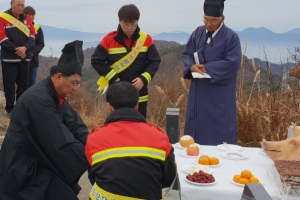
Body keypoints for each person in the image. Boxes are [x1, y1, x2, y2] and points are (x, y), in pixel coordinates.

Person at [0, 40, 89, 200]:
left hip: (39, 160)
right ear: (58, 76)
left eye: (78, 84)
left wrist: (96, 146)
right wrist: (92, 157)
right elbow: (60, 140)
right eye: (73, 83)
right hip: (23, 168)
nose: (75, 89)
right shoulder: (37, 99)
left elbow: (76, 125)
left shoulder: (54, 94)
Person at [85, 82, 177, 199]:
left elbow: (93, 177)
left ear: (110, 107)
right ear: (137, 105)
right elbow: (168, 179)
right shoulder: (159, 137)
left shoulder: (94, 139)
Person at [182, 0, 242, 145]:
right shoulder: (198, 32)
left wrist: (207, 68)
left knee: (220, 133)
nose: (208, 24)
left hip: (219, 94)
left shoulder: (231, 37)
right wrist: (191, 67)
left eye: (213, 21)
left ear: (222, 19)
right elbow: (187, 53)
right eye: (206, 20)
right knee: (196, 130)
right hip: (199, 90)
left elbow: (232, 63)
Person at [91, 4, 161, 118]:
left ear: (137, 21)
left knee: (139, 125)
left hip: (139, 93)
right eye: (126, 24)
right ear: (119, 21)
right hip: (117, 93)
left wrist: (143, 79)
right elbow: (96, 60)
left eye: (133, 24)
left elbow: (155, 61)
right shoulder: (109, 39)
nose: (129, 28)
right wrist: (113, 76)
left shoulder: (146, 39)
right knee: (117, 126)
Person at [0, 0, 35, 118]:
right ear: (11, 4)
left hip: (25, 59)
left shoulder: (27, 19)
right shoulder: (3, 17)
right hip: (9, 59)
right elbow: (2, 39)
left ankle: (21, 108)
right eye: (18, 5)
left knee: (23, 85)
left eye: (22, 5)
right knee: (9, 85)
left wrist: (25, 48)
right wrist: (18, 50)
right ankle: (10, 109)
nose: (20, 8)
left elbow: (32, 36)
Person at [23, 6, 45, 86]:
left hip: (33, 60)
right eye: (28, 14)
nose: (30, 16)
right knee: (22, 83)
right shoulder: (20, 27)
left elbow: (41, 43)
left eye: (32, 14)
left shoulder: (37, 28)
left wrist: (33, 52)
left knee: (32, 83)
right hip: (22, 59)